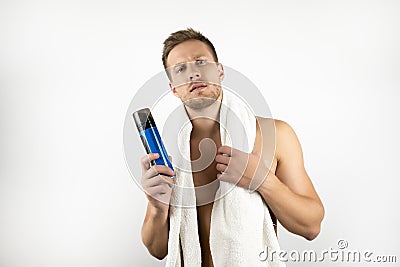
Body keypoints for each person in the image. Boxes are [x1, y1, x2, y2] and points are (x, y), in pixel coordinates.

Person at [140, 28, 324, 266]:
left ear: (220, 71)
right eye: (180, 69)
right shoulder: (169, 155)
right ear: (173, 88)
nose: (193, 73)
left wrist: (262, 179)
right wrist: (157, 207)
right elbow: (157, 250)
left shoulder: (274, 136)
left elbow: (312, 226)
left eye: (201, 62)